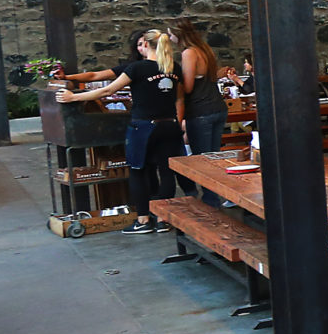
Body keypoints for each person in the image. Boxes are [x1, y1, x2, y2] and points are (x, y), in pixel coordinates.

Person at [59, 29, 183, 234]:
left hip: (144, 126)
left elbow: (108, 90)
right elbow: (177, 96)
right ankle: (163, 218)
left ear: (145, 45)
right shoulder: (174, 68)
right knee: (167, 172)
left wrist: (73, 98)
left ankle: (143, 220)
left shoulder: (137, 68)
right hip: (169, 125)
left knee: (137, 171)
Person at [169, 20, 229, 206]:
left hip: (200, 111)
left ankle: (211, 200)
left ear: (178, 35)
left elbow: (187, 87)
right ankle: (216, 195)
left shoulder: (189, 53)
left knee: (203, 160)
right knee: (214, 157)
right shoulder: (205, 49)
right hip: (217, 108)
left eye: (170, 34)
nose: (169, 38)